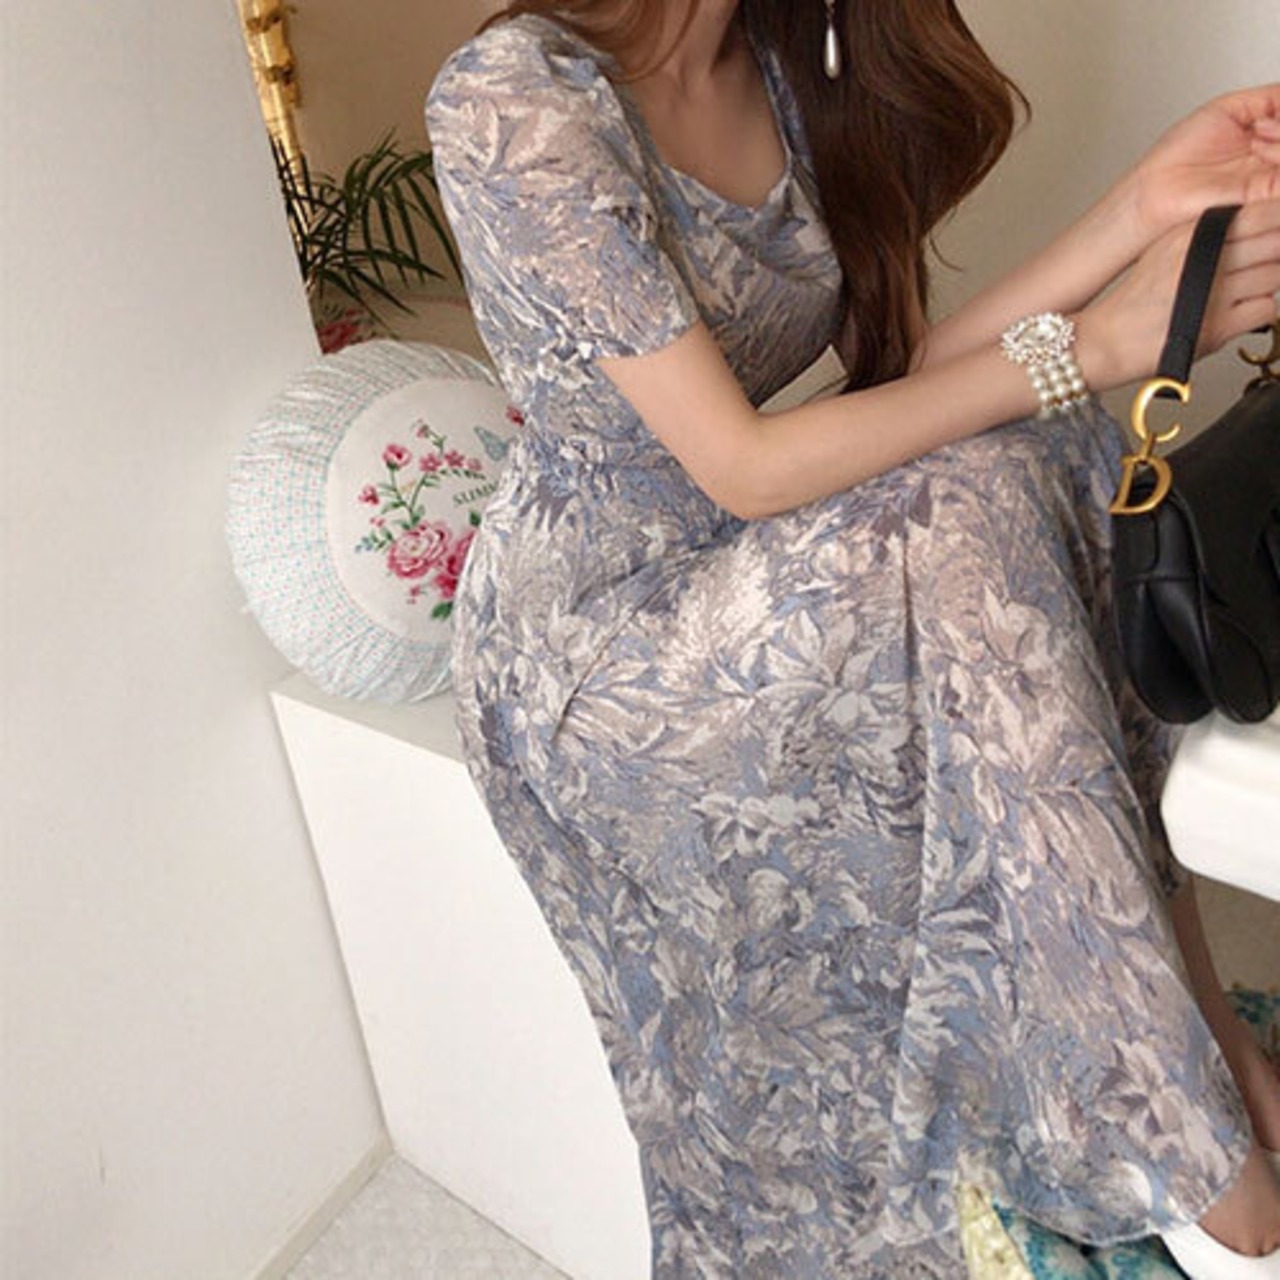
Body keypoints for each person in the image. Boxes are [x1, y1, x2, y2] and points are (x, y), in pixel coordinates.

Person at [426, 1, 1280, 1274]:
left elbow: (901, 379)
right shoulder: (515, 99)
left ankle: (1193, 1046)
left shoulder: (792, 61)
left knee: (1049, 445)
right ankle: (1170, 1121)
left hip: (749, 562)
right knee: (966, 502)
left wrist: (1141, 207)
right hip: (595, 649)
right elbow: (741, 464)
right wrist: (1102, 338)